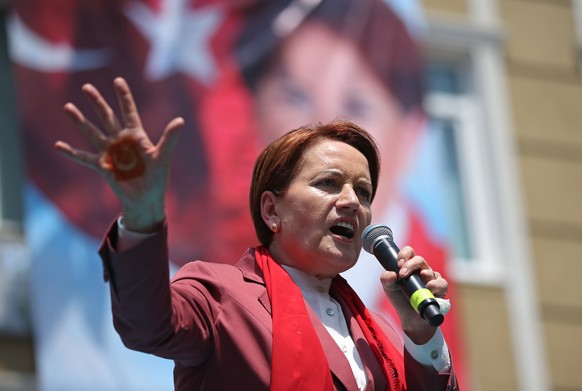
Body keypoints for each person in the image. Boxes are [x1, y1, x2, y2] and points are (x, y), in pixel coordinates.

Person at [54, 77, 458, 390]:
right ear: (271, 210)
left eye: (364, 191)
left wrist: (421, 336)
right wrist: (142, 214)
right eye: (329, 184)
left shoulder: (382, 334)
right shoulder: (220, 295)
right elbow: (147, 326)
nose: (353, 201)